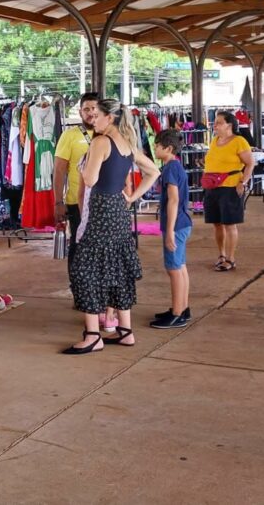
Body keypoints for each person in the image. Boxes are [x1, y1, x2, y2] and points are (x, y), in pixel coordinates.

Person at [63, 99, 160, 355]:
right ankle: (125, 331)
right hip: (118, 209)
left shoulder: (100, 142)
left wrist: (85, 164)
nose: (93, 118)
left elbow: (90, 178)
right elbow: (153, 172)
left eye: (97, 115)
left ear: (110, 118)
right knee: (118, 267)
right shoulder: (127, 143)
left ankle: (93, 335)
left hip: (100, 210)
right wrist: (132, 196)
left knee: (85, 269)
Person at [151, 129, 193, 329]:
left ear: (168, 149)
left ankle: (177, 313)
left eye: (157, 145)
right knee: (180, 267)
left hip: (176, 226)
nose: (154, 147)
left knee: (174, 269)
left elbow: (173, 200)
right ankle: (182, 308)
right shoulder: (175, 167)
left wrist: (169, 230)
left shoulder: (169, 169)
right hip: (183, 223)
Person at [203, 111, 254, 273]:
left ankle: (231, 258)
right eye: (215, 122)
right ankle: (221, 255)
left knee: (229, 224)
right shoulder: (214, 141)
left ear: (229, 125)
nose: (215, 125)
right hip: (212, 187)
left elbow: (250, 164)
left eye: (219, 122)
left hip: (230, 187)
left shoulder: (239, 141)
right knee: (217, 223)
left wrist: (242, 182)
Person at [53, 92, 100, 262]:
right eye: (86, 109)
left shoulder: (107, 134)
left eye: (94, 108)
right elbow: (58, 170)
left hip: (103, 203)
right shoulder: (69, 135)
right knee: (78, 246)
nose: (91, 112)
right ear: (80, 112)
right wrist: (58, 202)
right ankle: (78, 286)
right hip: (77, 202)